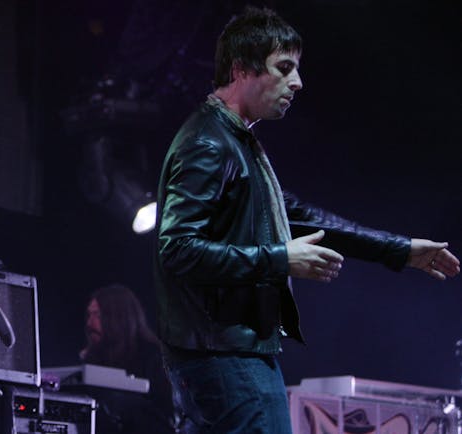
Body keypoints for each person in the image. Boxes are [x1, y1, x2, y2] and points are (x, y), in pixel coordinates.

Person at [153, 6, 460, 434]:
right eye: (284, 68)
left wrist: (400, 250)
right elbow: (178, 249)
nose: (296, 83)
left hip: (232, 356)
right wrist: (278, 259)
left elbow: (301, 217)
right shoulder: (208, 142)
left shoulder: (234, 140)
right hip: (226, 358)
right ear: (241, 69)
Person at [80, 284, 175, 433]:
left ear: (119, 317)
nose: (89, 323)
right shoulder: (94, 358)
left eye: (97, 315)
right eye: (89, 315)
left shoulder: (153, 357)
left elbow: (166, 417)